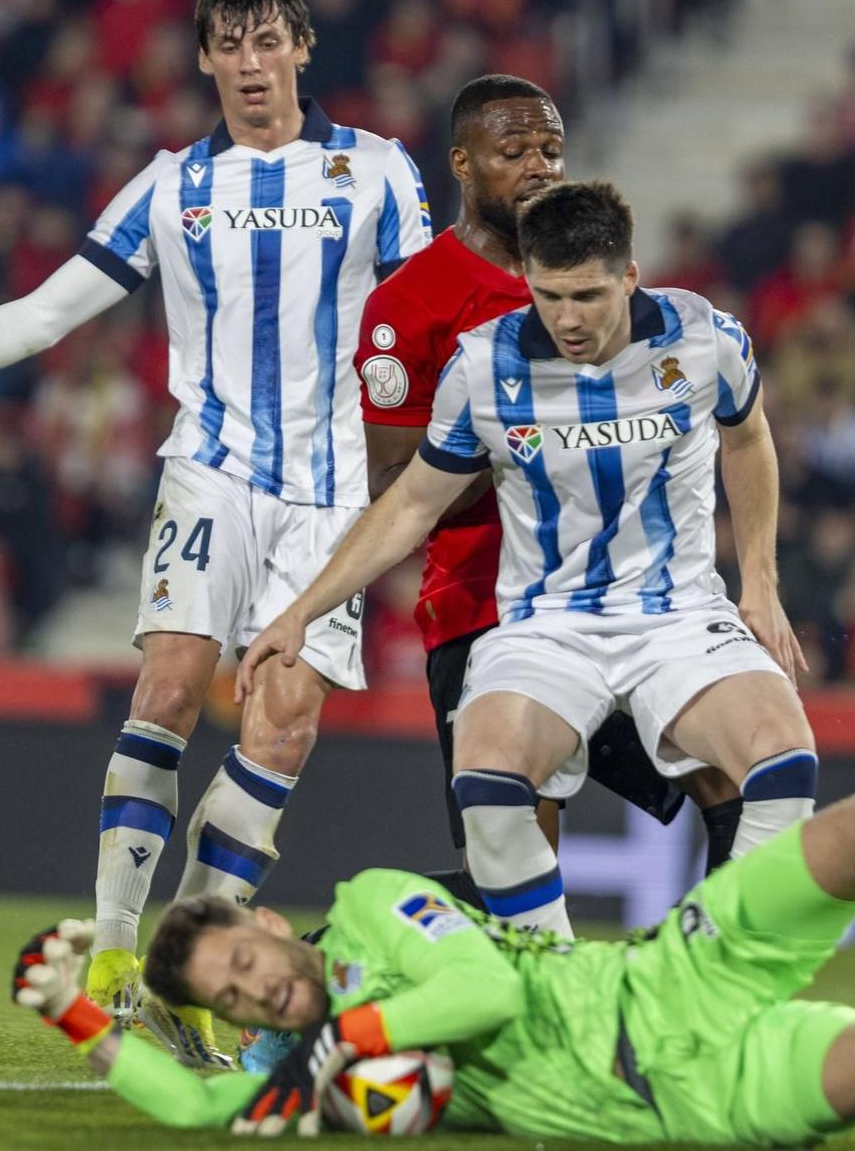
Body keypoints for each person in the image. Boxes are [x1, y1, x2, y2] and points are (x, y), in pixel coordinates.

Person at [9, 544, 855, 1144]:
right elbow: (187, 1096)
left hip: (678, 967)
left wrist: (339, 1042)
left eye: (244, 961)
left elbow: (476, 990)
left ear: (266, 920)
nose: (257, 989)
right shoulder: (284, 1062)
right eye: (236, 1001)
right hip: (691, 1097)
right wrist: (79, 1012)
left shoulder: (371, 913)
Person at [0, 0, 432, 1065]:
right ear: (202, 61)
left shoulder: (376, 174)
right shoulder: (169, 186)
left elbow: (433, 319)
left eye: (265, 40)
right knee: (175, 681)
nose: (247, 63)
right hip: (211, 466)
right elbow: (48, 312)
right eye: (226, 45)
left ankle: (183, 975)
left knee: (280, 721)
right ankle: (114, 951)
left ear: (300, 48)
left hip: (332, 491)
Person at [251, 181, 815, 937]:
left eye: (587, 294)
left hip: (678, 616)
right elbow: (413, 502)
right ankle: (550, 984)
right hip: (546, 624)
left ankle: (713, 974)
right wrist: (299, 609)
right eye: (549, 295)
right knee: (486, 778)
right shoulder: (484, 366)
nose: (568, 318)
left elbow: (748, 437)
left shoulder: (701, 337)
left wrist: (761, 582)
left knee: (786, 763)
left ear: (629, 277)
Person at [353, 76, 740, 911]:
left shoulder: (600, 292)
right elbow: (391, 486)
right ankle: (317, 961)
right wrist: (519, 452)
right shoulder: (408, 305)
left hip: (628, 601)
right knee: (516, 890)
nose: (540, 167)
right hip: (485, 610)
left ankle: (721, 994)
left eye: (552, 150)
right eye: (515, 150)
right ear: (461, 162)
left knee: (737, 783)